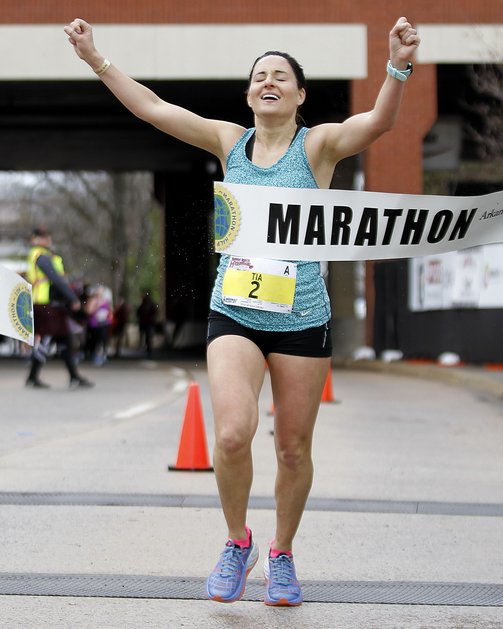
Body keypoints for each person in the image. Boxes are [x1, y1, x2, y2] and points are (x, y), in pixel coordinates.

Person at [65, 16, 419, 606]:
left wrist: (397, 65)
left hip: (304, 317)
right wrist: (95, 59)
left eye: (281, 76)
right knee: (232, 434)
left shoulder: (319, 146)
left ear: (300, 95)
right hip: (236, 310)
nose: (269, 82)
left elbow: (379, 121)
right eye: (260, 76)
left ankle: (281, 554)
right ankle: (238, 542)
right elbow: (153, 109)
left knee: (293, 449)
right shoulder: (231, 143)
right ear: (250, 93)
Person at [26, 227, 93, 389]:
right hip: (45, 304)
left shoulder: (46, 256)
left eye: (47, 237)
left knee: (64, 340)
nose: (46, 240)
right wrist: (72, 298)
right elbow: (55, 278)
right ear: (34, 239)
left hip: (53, 305)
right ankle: (33, 376)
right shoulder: (40, 256)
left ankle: (73, 376)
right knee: (47, 340)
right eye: (42, 237)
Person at [136, 291, 158, 358]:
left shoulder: (146, 305)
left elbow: (139, 312)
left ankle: (148, 350)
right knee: (148, 337)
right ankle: (148, 349)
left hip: (148, 323)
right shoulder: (146, 304)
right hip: (147, 323)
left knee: (148, 337)